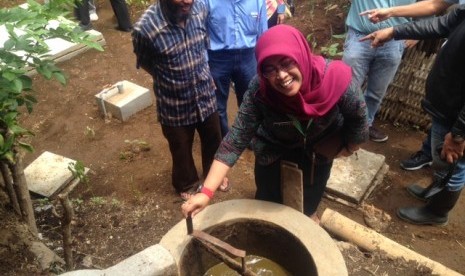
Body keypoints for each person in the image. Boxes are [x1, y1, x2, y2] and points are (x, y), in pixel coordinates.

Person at [181, 25, 369, 222]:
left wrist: (350, 146)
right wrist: (206, 192)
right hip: (273, 150)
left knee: (309, 199)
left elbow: (359, 117)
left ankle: (308, 218)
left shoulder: (336, 81)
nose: (281, 75)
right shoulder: (260, 91)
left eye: (287, 63)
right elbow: (235, 139)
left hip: (318, 152)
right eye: (270, 69)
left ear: (301, 56)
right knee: (268, 202)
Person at [360, 4, 465, 225]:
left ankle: (437, 212)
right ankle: (435, 191)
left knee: (453, 163)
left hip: (458, 114)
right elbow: (441, 24)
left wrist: (458, 134)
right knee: (441, 158)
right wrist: (394, 31)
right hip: (449, 104)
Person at [132, 0, 228, 200]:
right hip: (174, 102)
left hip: (204, 91)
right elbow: (146, 62)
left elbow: (203, 44)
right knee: (180, 146)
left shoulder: (200, 8)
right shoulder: (146, 28)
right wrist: (170, 79)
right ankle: (187, 182)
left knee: (213, 137)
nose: (188, 1)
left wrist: (205, 73)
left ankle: (213, 174)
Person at [343, 0, 416, 143]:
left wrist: (417, 34)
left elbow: (432, 4)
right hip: (360, 36)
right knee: (348, 88)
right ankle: (343, 125)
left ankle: (366, 125)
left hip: (394, 41)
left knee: (376, 92)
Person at [205, 0, 268, 137]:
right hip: (218, 58)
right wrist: (204, 65)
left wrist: (264, 63)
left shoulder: (257, 2)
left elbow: (263, 34)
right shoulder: (206, 2)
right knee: (217, 104)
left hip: (248, 56)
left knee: (250, 100)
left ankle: (249, 136)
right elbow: (200, 33)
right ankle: (224, 138)